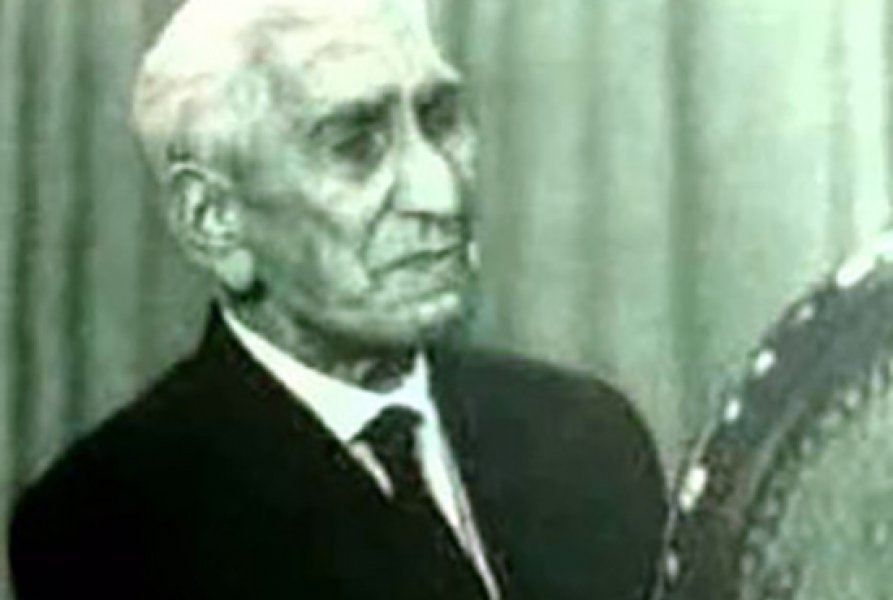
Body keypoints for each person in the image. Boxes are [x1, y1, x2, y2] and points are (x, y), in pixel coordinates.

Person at [7, 1, 666, 598]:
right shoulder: (112, 525)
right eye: (355, 146)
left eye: (440, 120)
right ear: (213, 218)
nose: (441, 194)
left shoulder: (586, 437)